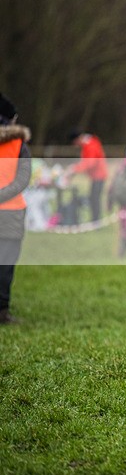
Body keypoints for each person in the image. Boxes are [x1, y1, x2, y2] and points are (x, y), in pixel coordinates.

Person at [0, 93, 31, 324]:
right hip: (11, 212)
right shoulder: (18, 144)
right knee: (5, 264)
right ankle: (2, 311)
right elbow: (23, 178)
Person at [66, 130, 108, 223]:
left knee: (95, 199)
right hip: (96, 176)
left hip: (98, 176)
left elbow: (90, 163)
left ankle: (96, 221)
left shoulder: (90, 145)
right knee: (94, 198)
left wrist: (75, 169)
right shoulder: (89, 143)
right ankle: (95, 220)